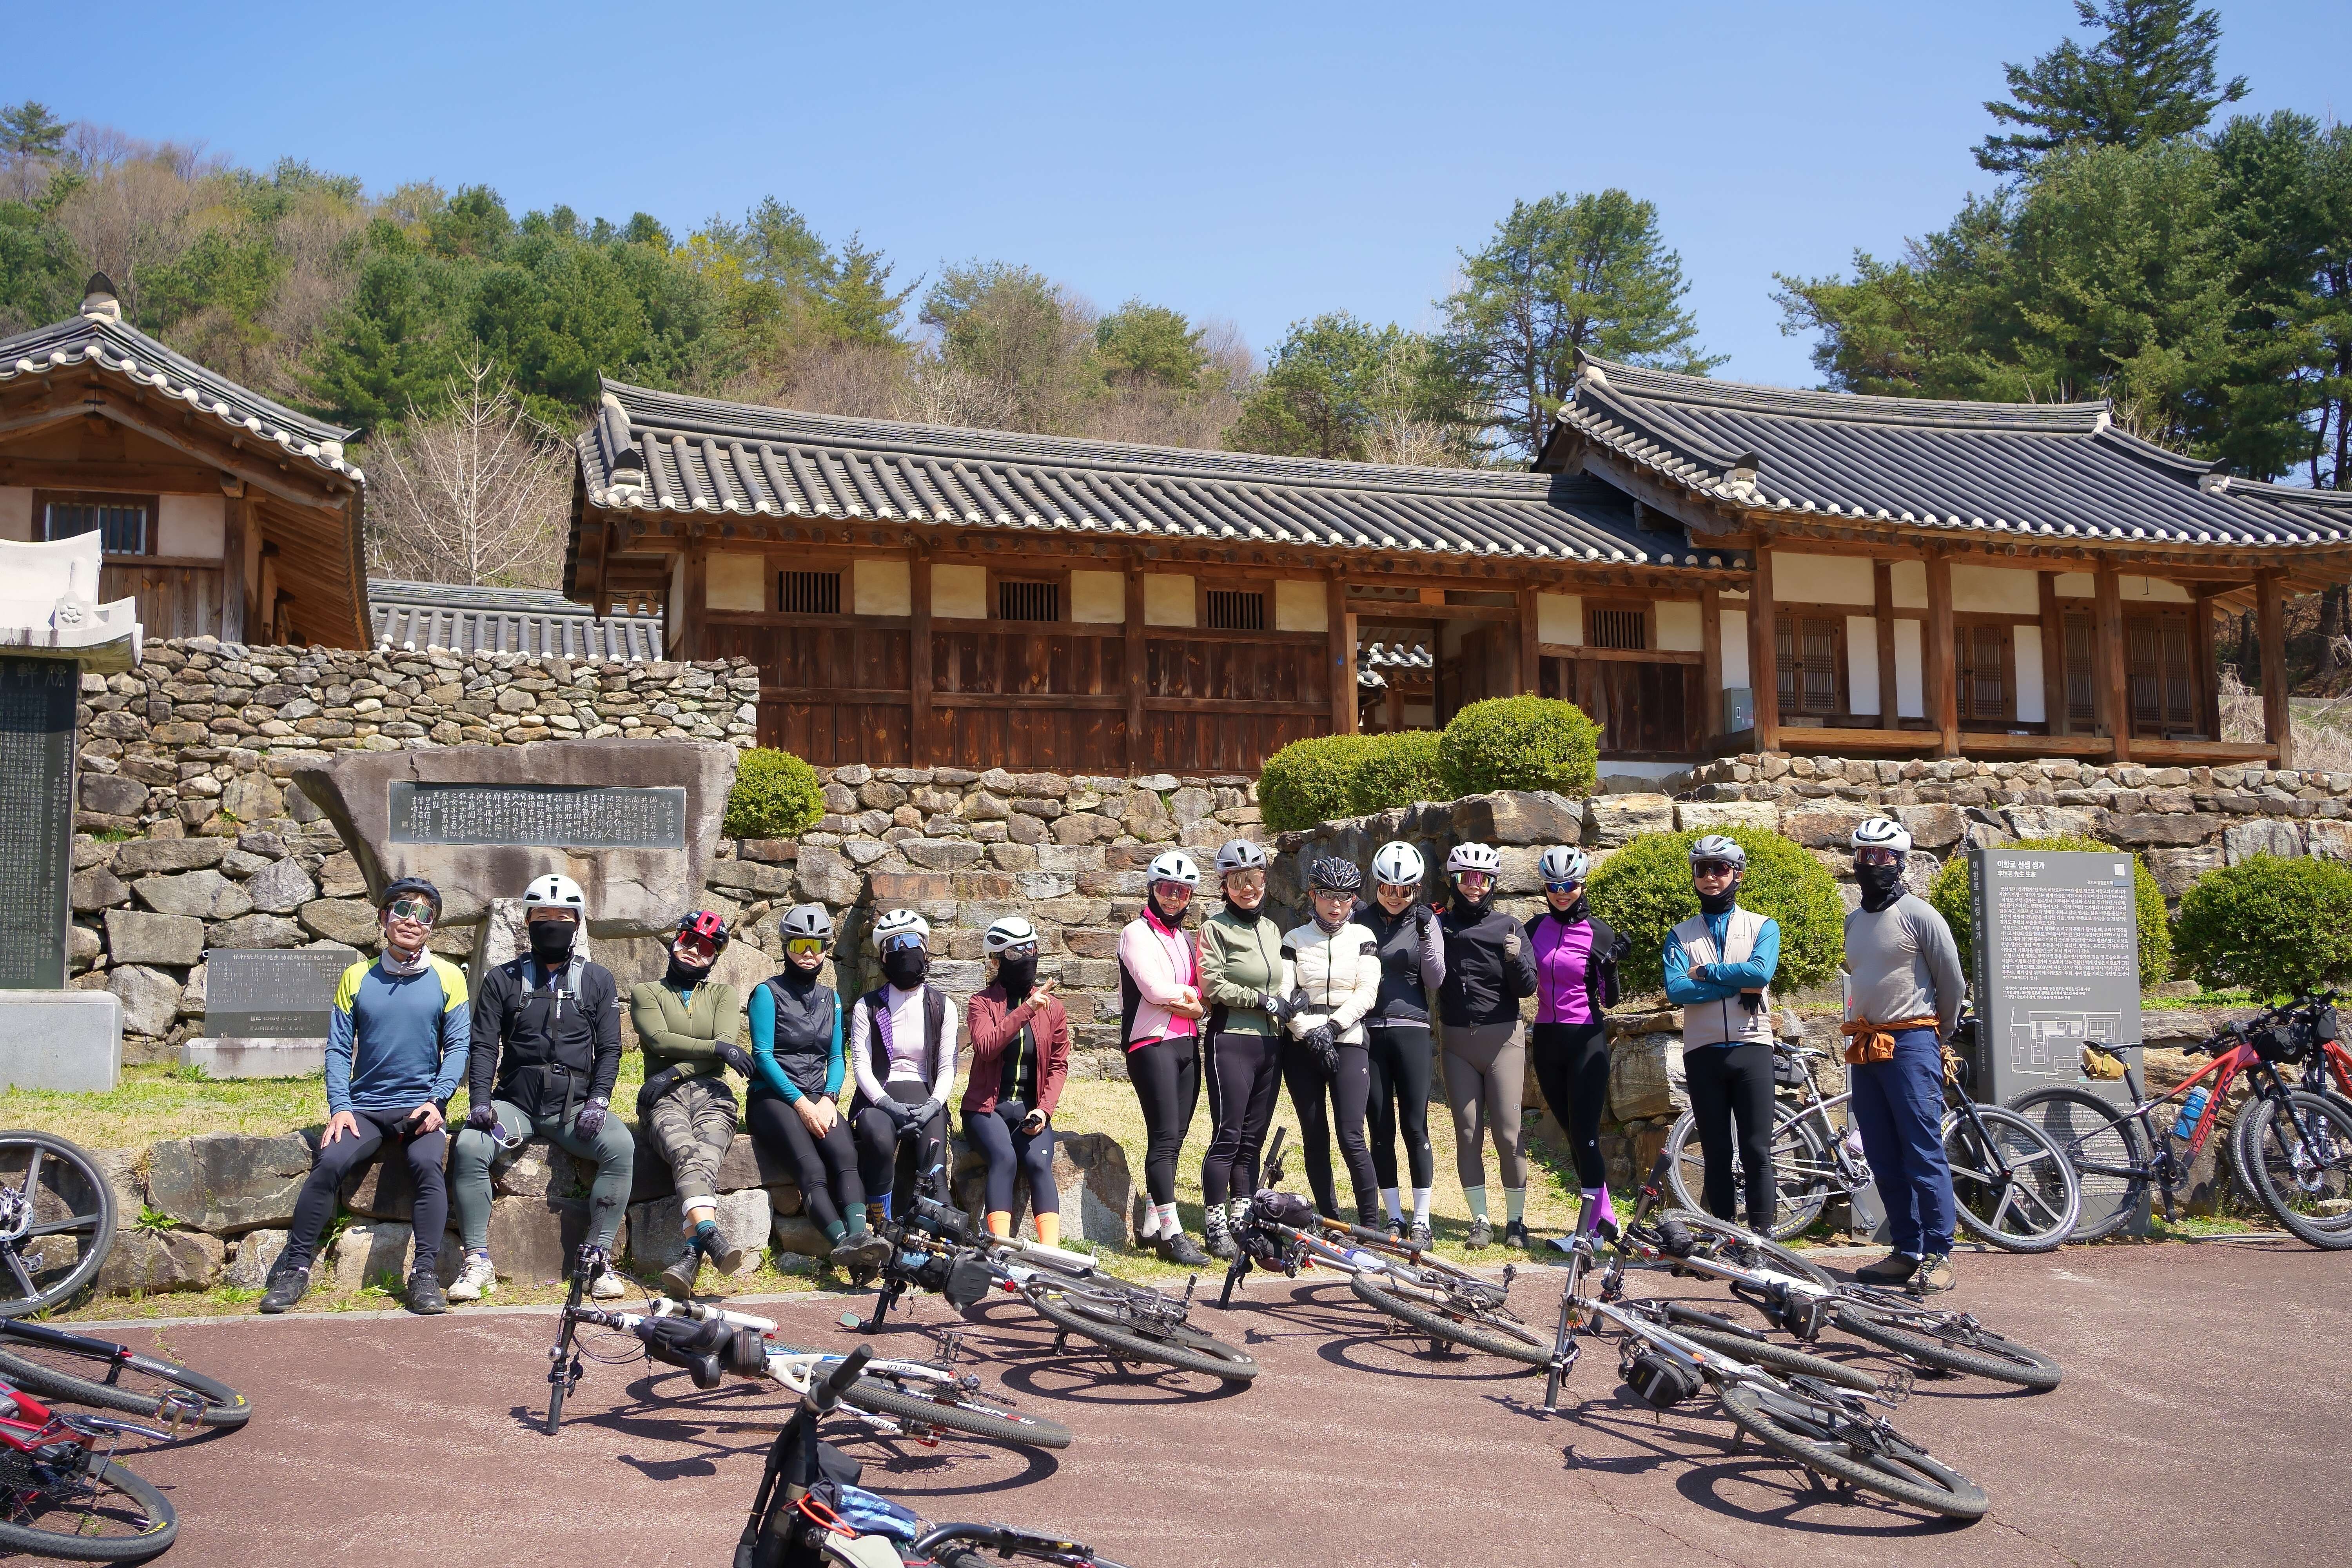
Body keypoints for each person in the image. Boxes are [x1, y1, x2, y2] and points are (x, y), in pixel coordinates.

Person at [261, 878, 469, 1315]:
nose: (412, 921)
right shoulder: (357, 976)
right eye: (402, 910)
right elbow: (338, 1049)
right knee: (330, 1162)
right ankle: (295, 1268)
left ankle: (425, 1274)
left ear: (432, 926)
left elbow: (458, 1048)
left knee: (428, 1165)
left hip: (421, 1107)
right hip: (366, 1108)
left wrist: (438, 1102)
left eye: (424, 914)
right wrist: (340, 1107)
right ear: (383, 917)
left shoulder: (449, 976)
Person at [450, 872, 635, 1302]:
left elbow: (610, 1049)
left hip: (575, 1108)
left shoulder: (597, 980)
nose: (553, 924)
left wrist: (599, 1100)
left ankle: (598, 1258)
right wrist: (480, 1101)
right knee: (470, 1146)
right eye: (543, 916)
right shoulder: (503, 979)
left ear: (578, 923)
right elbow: (484, 1044)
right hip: (515, 1105)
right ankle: (477, 1260)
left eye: (564, 917)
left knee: (621, 1147)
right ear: (528, 921)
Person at [1840, 817, 1967, 1296]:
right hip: (1867, 1043)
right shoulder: (1854, 921)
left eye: (1882, 856)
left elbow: (1951, 980)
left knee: (1921, 1148)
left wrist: (1940, 1032)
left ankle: (1939, 1252)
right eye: (1864, 855)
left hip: (1912, 1040)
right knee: (1880, 1150)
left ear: (1900, 862)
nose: (1871, 864)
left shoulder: (1920, 914)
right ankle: (1906, 1249)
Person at [746, 905, 890, 1276]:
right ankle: (843, 1243)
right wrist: (800, 1104)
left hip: (818, 1096)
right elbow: (762, 1056)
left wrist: (829, 1097)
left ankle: (862, 1240)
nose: (809, 953)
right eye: (800, 945)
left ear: (826, 949)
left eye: (818, 945)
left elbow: (837, 1056)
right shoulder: (767, 993)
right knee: (811, 1167)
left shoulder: (832, 998)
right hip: (771, 1096)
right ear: (786, 947)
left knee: (846, 1156)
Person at [1662, 834, 1782, 1244]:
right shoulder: (1679, 934)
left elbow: (1760, 973)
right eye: (1702, 869)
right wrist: (1737, 982)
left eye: (1720, 868)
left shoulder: (1763, 926)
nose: (1711, 877)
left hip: (1753, 1046)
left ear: (1738, 874)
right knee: (1716, 1151)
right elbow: (1677, 989)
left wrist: (1706, 973)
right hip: (1703, 1051)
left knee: (1756, 1150)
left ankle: (1762, 1238)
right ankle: (1724, 1237)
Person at [629, 910, 754, 1299]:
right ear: (675, 941)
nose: (694, 951)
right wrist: (716, 1050)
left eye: (706, 948)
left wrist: (671, 1071)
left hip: (712, 1094)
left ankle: (692, 1252)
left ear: (714, 958)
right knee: (684, 1150)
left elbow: (723, 1050)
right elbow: (660, 1040)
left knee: (706, 1156)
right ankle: (709, 1234)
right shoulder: (647, 992)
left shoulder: (723, 994)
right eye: (688, 941)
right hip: (662, 1098)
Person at [1435, 842, 1539, 1249]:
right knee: (1467, 1133)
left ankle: (1516, 1222)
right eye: (1466, 878)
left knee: (1509, 1136)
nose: (1474, 886)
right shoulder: (1440, 925)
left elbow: (1527, 988)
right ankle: (1480, 1220)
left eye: (1483, 879)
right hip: (1456, 1042)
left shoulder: (1510, 927)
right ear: (1454, 880)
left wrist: (1515, 960)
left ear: (1493, 883)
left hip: (1503, 1042)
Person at [1524, 846, 1629, 1238]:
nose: (1561, 893)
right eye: (1553, 887)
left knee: (1586, 1137)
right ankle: (1606, 1221)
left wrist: (1611, 965)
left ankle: (1590, 1235)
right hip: (1547, 1041)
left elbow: (1610, 999)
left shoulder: (1599, 931)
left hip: (1586, 1038)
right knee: (1573, 1136)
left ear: (1582, 885)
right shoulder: (1534, 928)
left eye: (1568, 885)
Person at [1196, 838, 1292, 1260]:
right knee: (1228, 1135)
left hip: (1271, 1043)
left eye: (1254, 878)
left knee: (1254, 1138)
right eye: (1237, 881)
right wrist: (1262, 1001)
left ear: (1265, 880)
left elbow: (1280, 979)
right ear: (1224, 886)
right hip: (1232, 1039)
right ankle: (1215, 1223)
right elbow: (1212, 984)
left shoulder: (1271, 929)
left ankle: (1241, 1218)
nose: (1248, 888)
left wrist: (1288, 1001)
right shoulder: (1215, 929)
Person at [1281, 858, 1384, 1226]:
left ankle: (1370, 1225)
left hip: (1349, 1039)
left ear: (1354, 899)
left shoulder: (1364, 937)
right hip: (1302, 1044)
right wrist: (1310, 1033)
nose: (1336, 904)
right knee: (1314, 1135)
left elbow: (1367, 992)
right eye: (1327, 895)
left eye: (1345, 896)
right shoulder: (1294, 939)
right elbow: (1284, 994)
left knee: (1352, 1135)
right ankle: (1329, 1220)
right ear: (1313, 895)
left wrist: (1333, 1028)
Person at [1119, 849, 1209, 1265]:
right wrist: (1192, 999)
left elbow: (1204, 996)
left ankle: (1152, 1225)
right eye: (1166, 889)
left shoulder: (1185, 939)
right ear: (1152, 889)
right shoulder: (1135, 933)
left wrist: (1195, 1004)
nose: (1174, 897)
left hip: (1187, 1044)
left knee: (1176, 1138)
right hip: (1151, 1044)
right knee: (1164, 1137)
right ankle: (1173, 1234)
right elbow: (1154, 990)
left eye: (1182, 891)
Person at [1356, 840, 1445, 1246]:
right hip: (1369, 1030)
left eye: (1404, 889)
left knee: (1414, 1124)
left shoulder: (1426, 921)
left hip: (1412, 1029)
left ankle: (1422, 1220)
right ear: (1377, 885)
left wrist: (1425, 933)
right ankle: (1394, 1217)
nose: (1394, 896)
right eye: (1387, 888)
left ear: (1416, 888)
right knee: (1379, 1125)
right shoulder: (1360, 920)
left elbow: (1435, 979)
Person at [963, 915, 1072, 1245]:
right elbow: (986, 1047)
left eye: (1031, 949)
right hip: (986, 1109)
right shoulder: (981, 1003)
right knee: (1005, 1159)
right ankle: (1000, 1247)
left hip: (1029, 1108)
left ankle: (1051, 1253)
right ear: (996, 961)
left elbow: (1059, 1065)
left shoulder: (1054, 1008)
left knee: (1039, 1162)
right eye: (1015, 952)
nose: (1026, 957)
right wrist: (1026, 1010)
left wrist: (1044, 1110)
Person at [848, 909, 959, 1224]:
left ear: (924, 948)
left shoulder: (943, 1006)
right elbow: (861, 1065)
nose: (903, 951)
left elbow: (948, 1066)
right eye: (893, 945)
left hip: (927, 1097)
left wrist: (934, 1105)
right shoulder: (867, 1006)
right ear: (883, 957)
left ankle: (940, 1227)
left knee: (934, 1162)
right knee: (880, 1142)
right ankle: (881, 1222)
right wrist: (888, 1105)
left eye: (911, 942)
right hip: (877, 1098)